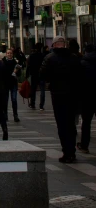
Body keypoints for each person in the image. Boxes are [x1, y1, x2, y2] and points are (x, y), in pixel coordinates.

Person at [40, 34, 82, 163]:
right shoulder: (74, 58)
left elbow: (43, 74)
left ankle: (66, 151)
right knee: (71, 123)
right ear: (65, 45)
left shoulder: (49, 58)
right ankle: (72, 151)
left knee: (62, 124)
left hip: (57, 95)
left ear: (53, 45)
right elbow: (80, 76)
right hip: (72, 95)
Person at [79, 43, 96, 154]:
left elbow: (79, 81)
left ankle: (84, 145)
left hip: (87, 97)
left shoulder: (83, 63)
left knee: (86, 122)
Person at [2, 47, 21, 123]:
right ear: (6, 54)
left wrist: (17, 72)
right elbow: (2, 73)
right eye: (8, 53)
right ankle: (5, 115)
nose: (9, 54)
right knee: (5, 100)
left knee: (14, 99)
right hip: (5, 83)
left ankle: (15, 115)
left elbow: (18, 74)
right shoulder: (3, 62)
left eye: (11, 53)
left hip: (13, 83)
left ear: (12, 54)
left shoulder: (15, 63)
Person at [27, 42, 46, 110]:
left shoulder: (32, 56)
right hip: (41, 75)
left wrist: (28, 74)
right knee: (42, 91)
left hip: (34, 75)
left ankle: (33, 104)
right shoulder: (43, 56)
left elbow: (29, 66)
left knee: (33, 90)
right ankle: (41, 105)